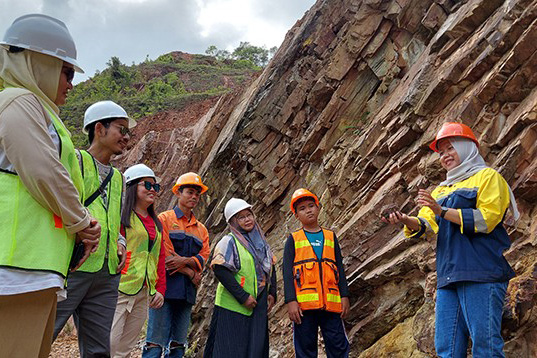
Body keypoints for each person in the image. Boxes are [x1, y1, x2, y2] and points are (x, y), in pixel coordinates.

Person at [0, 14, 100, 358]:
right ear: (36, 62)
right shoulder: (18, 102)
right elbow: (45, 172)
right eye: (66, 71)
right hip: (14, 269)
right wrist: (82, 221)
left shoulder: (36, 111)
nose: (70, 83)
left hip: (30, 269)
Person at [382, 122, 519, 357]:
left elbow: (488, 220)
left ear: (466, 147)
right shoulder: (441, 190)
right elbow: (425, 225)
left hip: (481, 272)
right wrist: (404, 219)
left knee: (486, 347)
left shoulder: (488, 177)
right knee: (447, 349)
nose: (445, 155)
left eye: (450, 148)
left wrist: (442, 211)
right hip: (448, 276)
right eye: (441, 152)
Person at [53, 100, 136, 357]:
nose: (126, 137)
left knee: (99, 349)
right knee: (42, 334)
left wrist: (121, 243)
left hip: (106, 274)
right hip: (74, 266)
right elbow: (58, 204)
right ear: (99, 129)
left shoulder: (120, 178)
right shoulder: (75, 160)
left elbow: (118, 224)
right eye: (121, 129)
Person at [143, 172, 211, 358]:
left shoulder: (201, 229)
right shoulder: (164, 219)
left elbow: (204, 258)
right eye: (190, 192)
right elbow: (166, 258)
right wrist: (190, 271)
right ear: (178, 193)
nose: (194, 197)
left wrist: (184, 262)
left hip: (187, 293)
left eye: (197, 194)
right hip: (163, 288)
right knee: (155, 343)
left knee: (178, 345)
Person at [204, 198, 277, 358]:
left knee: (255, 349)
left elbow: (270, 267)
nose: (247, 219)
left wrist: (272, 293)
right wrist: (243, 297)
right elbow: (220, 269)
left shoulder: (261, 241)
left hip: (258, 303)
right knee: (231, 349)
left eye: (249, 215)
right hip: (233, 305)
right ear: (233, 222)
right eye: (241, 217)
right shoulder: (229, 241)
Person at [283, 188, 350, 358]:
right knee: (305, 349)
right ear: (296, 215)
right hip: (304, 308)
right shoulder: (293, 239)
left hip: (331, 304)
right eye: (302, 208)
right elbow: (287, 273)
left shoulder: (330, 236)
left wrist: (345, 295)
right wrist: (291, 301)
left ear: (318, 207)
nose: (308, 210)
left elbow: (339, 269)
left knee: (338, 346)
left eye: (311, 206)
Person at [110, 164, 166, 358]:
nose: (153, 190)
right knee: (109, 343)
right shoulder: (121, 217)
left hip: (144, 291)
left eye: (156, 187)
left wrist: (160, 289)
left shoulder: (157, 224)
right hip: (120, 288)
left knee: (126, 347)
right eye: (147, 185)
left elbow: (159, 258)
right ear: (132, 186)